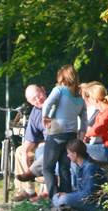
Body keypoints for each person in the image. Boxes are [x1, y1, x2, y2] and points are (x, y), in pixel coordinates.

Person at [41, 65, 87, 199]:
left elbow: (47, 103)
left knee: (48, 168)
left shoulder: (59, 90)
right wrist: (82, 134)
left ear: (62, 77)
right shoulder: (80, 99)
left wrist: (45, 117)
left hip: (57, 133)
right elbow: (84, 119)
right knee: (64, 168)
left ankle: (54, 198)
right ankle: (66, 199)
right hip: (72, 136)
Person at [51, 139, 105, 211]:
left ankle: (62, 209)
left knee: (63, 199)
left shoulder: (90, 168)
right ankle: (64, 209)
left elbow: (89, 194)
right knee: (57, 196)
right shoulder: (80, 167)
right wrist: (68, 195)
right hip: (85, 199)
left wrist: (68, 197)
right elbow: (80, 191)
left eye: (69, 153)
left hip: (96, 204)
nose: (68, 156)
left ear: (75, 154)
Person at [13, 85, 47, 202]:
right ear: (30, 102)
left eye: (39, 95)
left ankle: (47, 189)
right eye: (33, 99)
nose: (38, 100)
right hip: (41, 142)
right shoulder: (35, 112)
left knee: (42, 149)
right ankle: (28, 190)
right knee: (20, 151)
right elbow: (30, 140)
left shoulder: (55, 104)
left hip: (55, 142)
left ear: (43, 90)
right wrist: (25, 153)